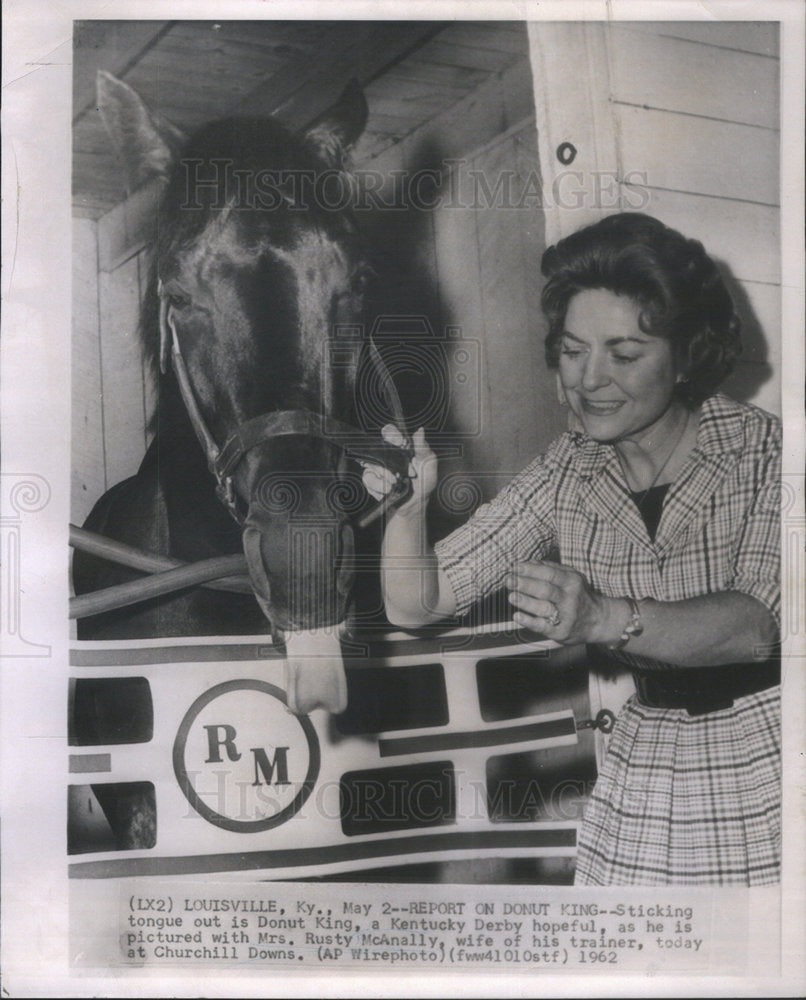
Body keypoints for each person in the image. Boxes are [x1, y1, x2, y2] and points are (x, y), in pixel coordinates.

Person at [363, 212, 781, 886]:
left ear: (685, 357)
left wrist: (600, 618)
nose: (588, 380)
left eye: (623, 354)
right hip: (649, 759)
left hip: (771, 749)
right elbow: (422, 599)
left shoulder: (765, 451)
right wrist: (410, 513)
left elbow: (754, 629)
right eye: (571, 348)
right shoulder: (568, 467)